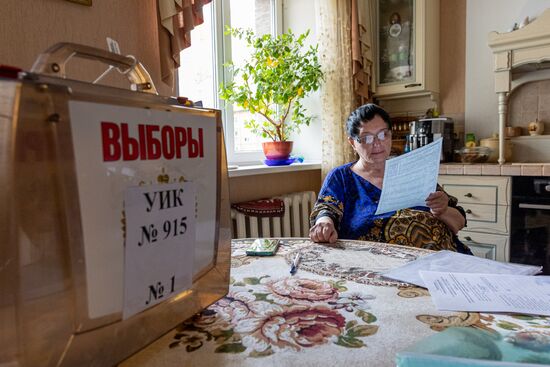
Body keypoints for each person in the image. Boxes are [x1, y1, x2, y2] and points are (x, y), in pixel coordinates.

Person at [309, 103, 471, 254]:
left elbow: (459, 223)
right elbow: (327, 209)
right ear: (352, 142)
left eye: (383, 134)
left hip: (446, 256)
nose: (377, 144)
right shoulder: (342, 177)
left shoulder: (413, 170)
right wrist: (325, 224)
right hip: (386, 267)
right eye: (367, 138)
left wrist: (442, 210)